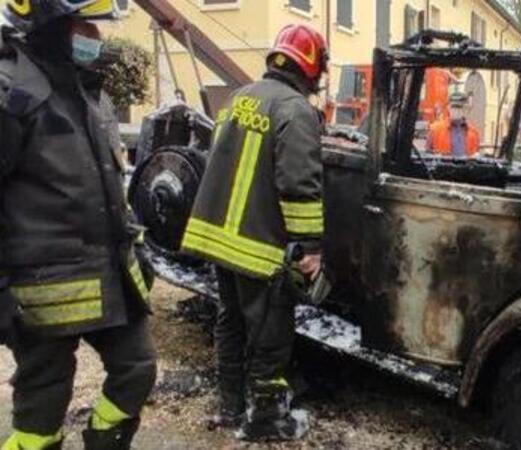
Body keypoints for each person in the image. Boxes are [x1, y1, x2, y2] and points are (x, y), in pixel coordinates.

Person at [0, 1, 157, 449]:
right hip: (39, 296)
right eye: (85, 25)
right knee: (40, 417)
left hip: (107, 276)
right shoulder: (11, 93)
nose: (96, 36)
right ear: (50, 23)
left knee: (138, 368)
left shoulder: (91, 94)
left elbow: (111, 189)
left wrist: (136, 251)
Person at [181, 24, 327, 443]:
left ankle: (230, 408)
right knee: (270, 333)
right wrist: (309, 248)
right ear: (311, 66)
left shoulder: (239, 99)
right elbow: (299, 185)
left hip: (219, 239)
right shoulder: (296, 110)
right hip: (258, 247)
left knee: (230, 323)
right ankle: (266, 419)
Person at [428, 92, 481, 157]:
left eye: (459, 107)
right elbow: (426, 156)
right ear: (448, 107)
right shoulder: (435, 129)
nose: (456, 110)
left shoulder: (474, 133)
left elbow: (476, 155)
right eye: (453, 106)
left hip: (466, 166)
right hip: (442, 166)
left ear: (465, 109)